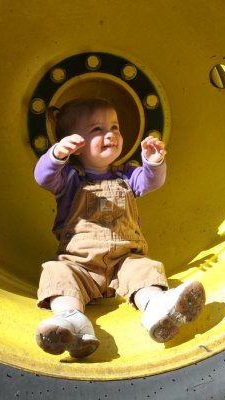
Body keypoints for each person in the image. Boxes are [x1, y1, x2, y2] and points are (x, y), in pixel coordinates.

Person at [34, 98, 205, 358]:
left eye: (114, 127)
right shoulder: (69, 178)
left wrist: (153, 162)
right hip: (79, 264)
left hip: (124, 262)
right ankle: (71, 321)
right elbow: (43, 177)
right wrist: (56, 155)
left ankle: (157, 309)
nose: (110, 134)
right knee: (56, 272)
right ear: (75, 145)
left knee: (145, 269)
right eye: (97, 130)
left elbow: (151, 182)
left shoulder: (127, 175)